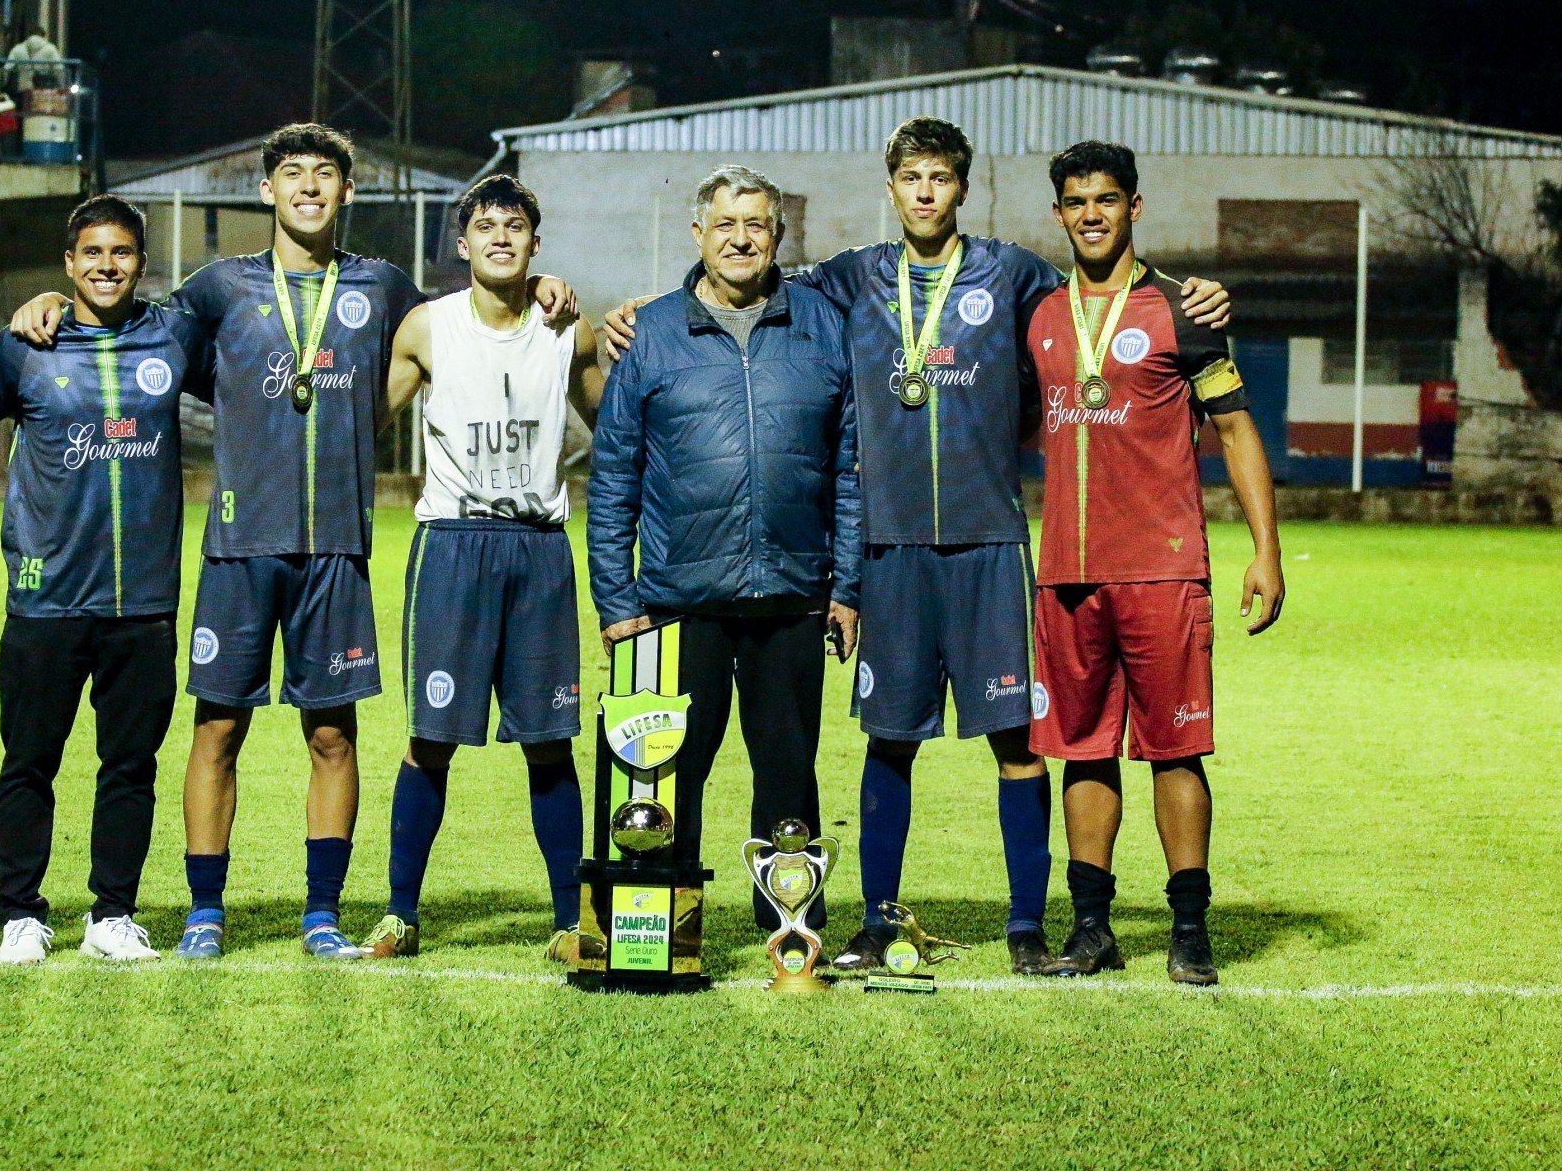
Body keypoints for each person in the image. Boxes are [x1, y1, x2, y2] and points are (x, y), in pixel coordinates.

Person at [601, 118, 1232, 975]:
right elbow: (744, 278)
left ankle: (1025, 924)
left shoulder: (1013, 276)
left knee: (1017, 744)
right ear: (890, 188)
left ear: (962, 187)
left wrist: (1192, 294)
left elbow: (1103, 290)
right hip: (890, 552)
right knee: (887, 740)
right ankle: (876, 919)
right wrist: (644, 308)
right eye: (911, 178)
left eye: (941, 177)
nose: (926, 192)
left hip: (988, 543)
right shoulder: (849, 279)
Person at [7, 123, 576, 961]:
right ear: (266, 191)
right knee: (218, 731)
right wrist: (52, 303)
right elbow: (127, 320)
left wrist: (544, 283)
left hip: (336, 551)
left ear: (348, 194)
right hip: (239, 546)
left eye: (325, 175)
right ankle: (206, 909)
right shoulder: (217, 288)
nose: (309, 186)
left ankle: (322, 913)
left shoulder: (383, 289)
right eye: (292, 174)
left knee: (332, 738)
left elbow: (480, 311)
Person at [1024, 141, 1283, 986]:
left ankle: (1189, 928)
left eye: (1106, 199)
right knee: (1082, 751)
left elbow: (1238, 429)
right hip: (1066, 572)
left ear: (1135, 207)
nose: (1090, 214)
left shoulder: (1184, 308)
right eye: (1075, 202)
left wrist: (1265, 553)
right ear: (1058, 214)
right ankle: (1092, 927)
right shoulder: (1040, 313)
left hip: (1163, 570)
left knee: (1176, 750)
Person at [586, 164, 860, 931]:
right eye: (727, 224)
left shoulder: (820, 325)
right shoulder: (651, 333)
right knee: (666, 774)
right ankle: (662, 927)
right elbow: (613, 480)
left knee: (786, 771)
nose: (742, 238)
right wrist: (616, 601)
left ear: (779, 236)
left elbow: (847, 470)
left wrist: (847, 587)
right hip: (678, 601)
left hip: (791, 594)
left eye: (758, 225)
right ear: (698, 233)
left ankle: (789, 925)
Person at [359, 174, 607, 962]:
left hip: (538, 552)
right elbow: (360, 425)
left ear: (536, 245)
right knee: (430, 738)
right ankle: (400, 914)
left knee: (550, 741)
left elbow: (621, 425)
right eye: (486, 226)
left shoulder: (570, 329)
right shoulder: (427, 328)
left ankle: (570, 922)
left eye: (516, 227)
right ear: (462, 244)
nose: (501, 236)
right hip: (453, 547)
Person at [0, 195, 200, 965]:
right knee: (28, 759)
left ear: (142, 263)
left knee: (130, 764)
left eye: (123, 253)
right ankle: (20, 914)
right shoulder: (25, 346)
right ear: (69, 265)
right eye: (92, 254)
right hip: (46, 596)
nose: (108, 266)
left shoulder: (170, 334)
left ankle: (111, 914)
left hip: (143, 600)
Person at [6, 25, 63, 93]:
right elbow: (59, 69)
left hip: (23, 89)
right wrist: (60, 86)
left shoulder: (18, 48)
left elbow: (7, 68)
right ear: (44, 37)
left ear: (28, 36)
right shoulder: (50, 49)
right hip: (43, 90)